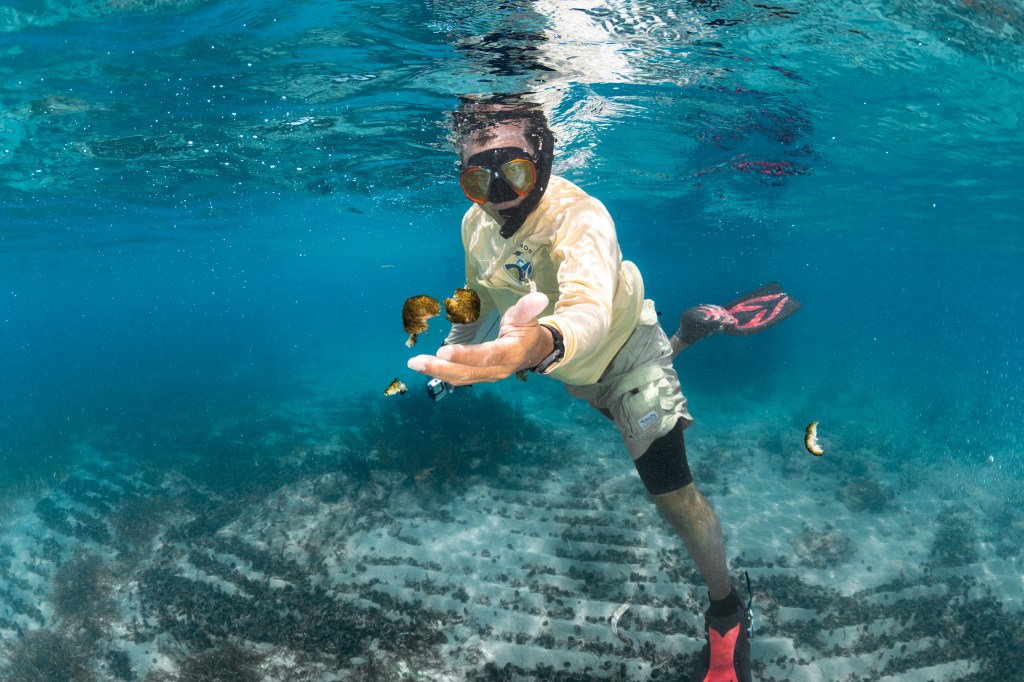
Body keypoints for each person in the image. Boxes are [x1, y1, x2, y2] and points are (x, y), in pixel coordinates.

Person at [407, 95, 753, 682]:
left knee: (671, 493)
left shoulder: (580, 216)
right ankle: (687, 335)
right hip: (576, 375)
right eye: (477, 179)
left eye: (512, 170)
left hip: (624, 360)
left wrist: (531, 345)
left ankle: (727, 609)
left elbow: (589, 308)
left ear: (542, 158)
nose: (499, 196)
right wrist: (457, 357)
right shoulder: (474, 225)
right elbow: (478, 304)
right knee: (615, 404)